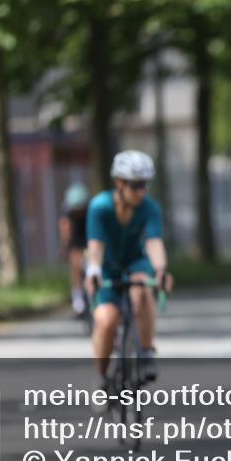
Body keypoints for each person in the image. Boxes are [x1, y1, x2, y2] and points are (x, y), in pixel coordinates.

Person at [83, 150, 174, 406]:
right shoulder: (100, 207)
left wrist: (161, 270)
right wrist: (93, 273)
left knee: (142, 288)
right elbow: (96, 246)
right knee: (107, 319)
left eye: (145, 185)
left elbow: (154, 242)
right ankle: (101, 378)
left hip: (136, 260)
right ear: (119, 183)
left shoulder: (149, 208)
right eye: (135, 185)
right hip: (107, 266)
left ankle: (145, 350)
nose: (141, 191)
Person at [59, 181, 90, 317]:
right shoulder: (68, 213)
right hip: (76, 241)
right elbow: (65, 229)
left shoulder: (91, 211)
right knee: (76, 268)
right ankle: (78, 303)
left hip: (89, 239)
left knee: (91, 266)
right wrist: (65, 247)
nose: (78, 213)